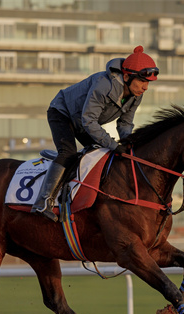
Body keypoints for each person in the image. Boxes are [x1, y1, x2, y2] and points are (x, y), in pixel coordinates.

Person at [31, 45, 159, 221]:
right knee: (69, 153)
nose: (145, 87)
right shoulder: (103, 85)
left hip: (84, 120)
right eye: (142, 81)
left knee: (102, 154)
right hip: (62, 113)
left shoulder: (136, 93)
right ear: (127, 76)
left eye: (148, 83)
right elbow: (89, 121)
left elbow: (125, 123)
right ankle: (43, 202)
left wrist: (128, 144)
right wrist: (114, 145)